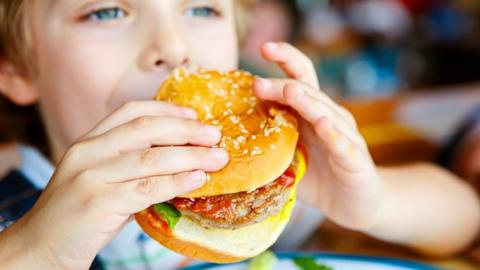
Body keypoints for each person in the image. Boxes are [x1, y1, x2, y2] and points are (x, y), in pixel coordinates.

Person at [0, 1, 478, 269]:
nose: (173, 47)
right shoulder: (13, 204)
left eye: (202, 9)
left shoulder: (253, 190)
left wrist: (372, 201)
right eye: (107, 12)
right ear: (16, 67)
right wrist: (35, 252)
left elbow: (465, 220)